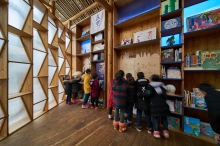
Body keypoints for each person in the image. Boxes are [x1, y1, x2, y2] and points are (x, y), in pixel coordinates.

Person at [148, 74, 170, 139]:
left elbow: (148, 94)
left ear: (151, 79)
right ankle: (165, 131)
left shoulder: (150, 85)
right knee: (164, 117)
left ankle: (156, 132)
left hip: (154, 104)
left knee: (155, 117)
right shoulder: (163, 85)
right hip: (163, 104)